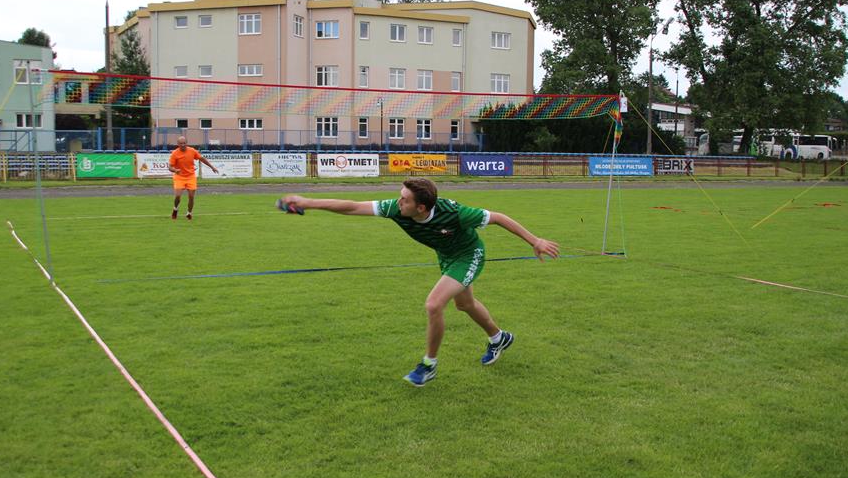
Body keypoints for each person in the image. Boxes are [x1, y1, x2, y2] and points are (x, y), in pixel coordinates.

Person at [279, 178, 559, 386]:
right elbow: (352, 207)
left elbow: (497, 217)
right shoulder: (396, 209)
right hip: (447, 257)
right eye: (400, 197)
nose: (398, 202)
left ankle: (429, 365)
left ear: (421, 207)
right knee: (465, 304)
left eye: (404, 199)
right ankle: (499, 338)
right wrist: (307, 202)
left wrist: (535, 241)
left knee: (434, 304)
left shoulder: (456, 213)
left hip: (468, 255)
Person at [168, 136, 219, 220]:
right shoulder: (175, 153)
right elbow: (170, 167)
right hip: (179, 177)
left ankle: (189, 213)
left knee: (191, 196)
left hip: (190, 177)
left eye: (184, 143)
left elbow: (202, 159)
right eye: (181, 143)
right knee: (178, 196)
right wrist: (175, 170)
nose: (183, 145)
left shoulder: (192, 151)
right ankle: (175, 209)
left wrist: (212, 167)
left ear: (187, 143)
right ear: (178, 144)